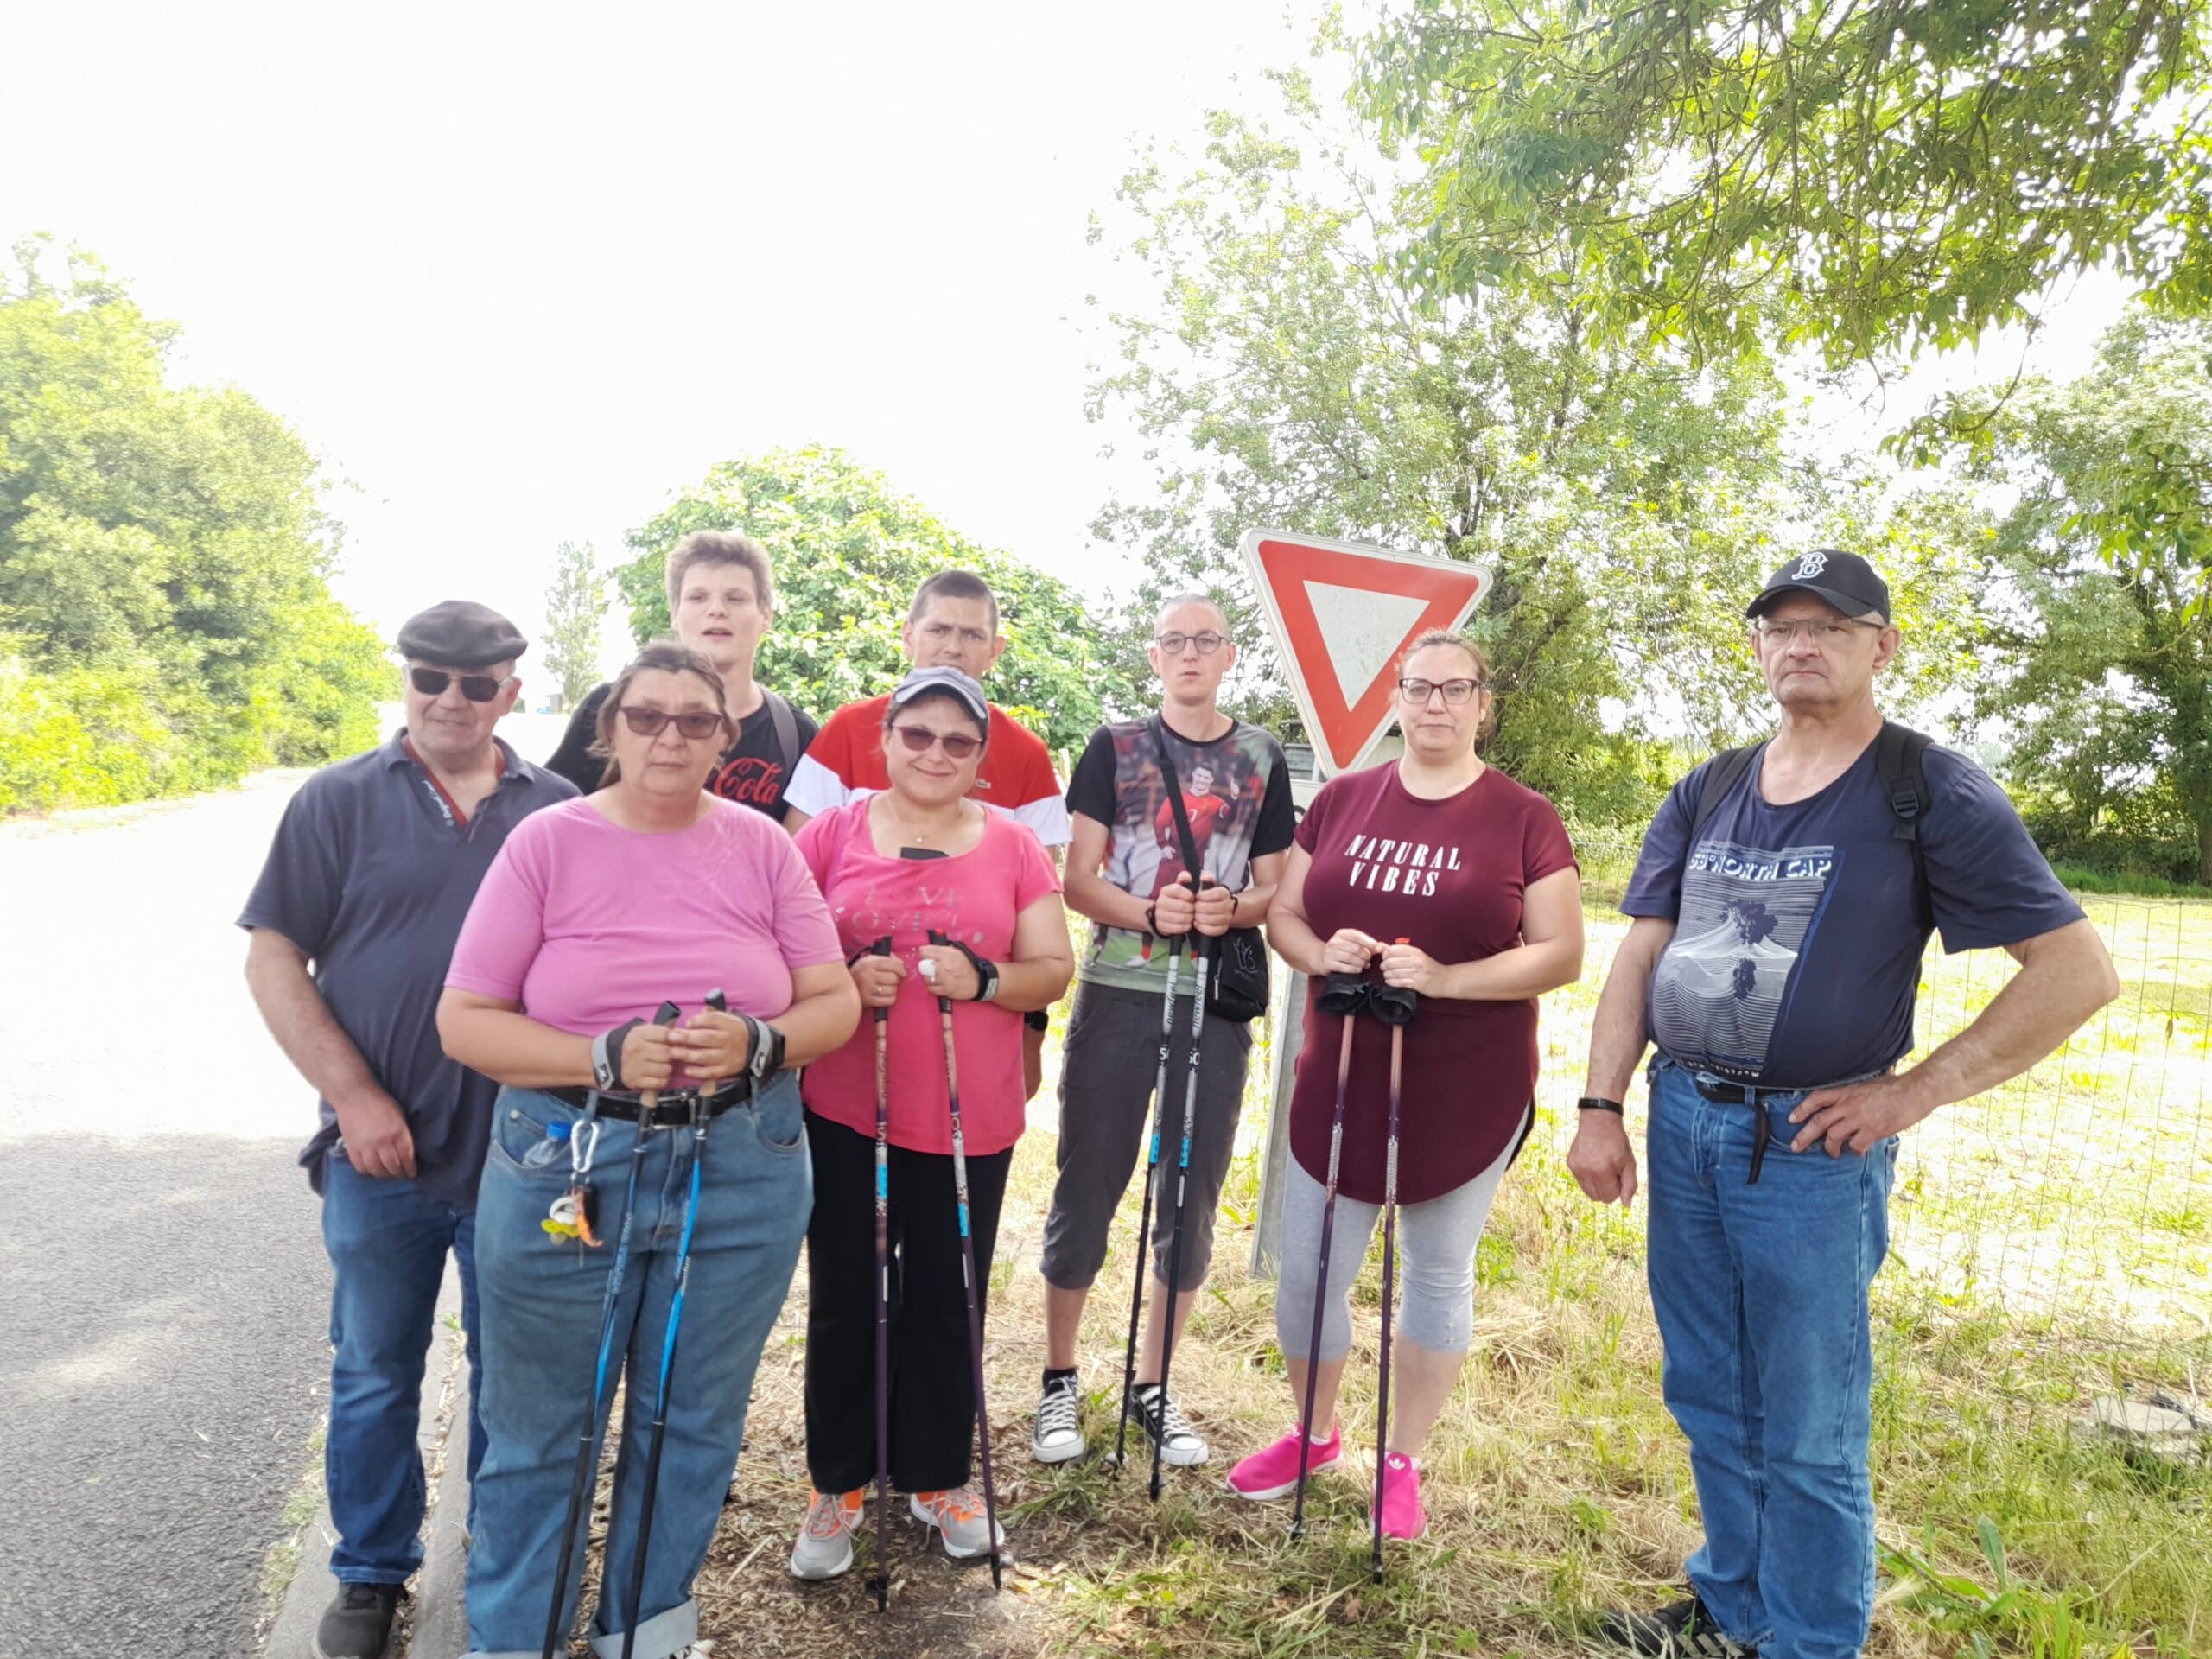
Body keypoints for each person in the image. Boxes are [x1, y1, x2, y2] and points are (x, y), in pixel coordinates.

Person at [1569, 550, 2120, 1659]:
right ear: (1759, 645)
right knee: (1709, 1389)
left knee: (1810, 1425)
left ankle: (1813, 1640)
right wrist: (1599, 1105)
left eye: (1830, 624)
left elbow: (2077, 972)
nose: (1801, 643)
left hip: (1811, 1155)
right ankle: (1732, 1607)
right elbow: (1640, 954)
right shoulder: (1711, 785)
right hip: (1683, 1126)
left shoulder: (1926, 789)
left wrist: (1910, 1094)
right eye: (1780, 625)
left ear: (1882, 645)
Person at [437, 639, 861, 1659]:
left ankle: (645, 1632)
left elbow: (834, 1000)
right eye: (647, 715)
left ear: (724, 737)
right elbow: (465, 1021)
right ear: (610, 728)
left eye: (696, 719)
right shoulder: (547, 842)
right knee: (541, 1435)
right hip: (568, 1160)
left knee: (692, 1423)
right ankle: (514, 1642)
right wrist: (598, 1054)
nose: (670, 734)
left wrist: (759, 1041)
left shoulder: (762, 846)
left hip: (742, 1165)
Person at [238, 601, 576, 1659]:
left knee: (513, 1374)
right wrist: (355, 1099)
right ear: (406, 681)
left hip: (522, 1156)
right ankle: (372, 1571)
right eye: (431, 677)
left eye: (478, 685)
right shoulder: (336, 800)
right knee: (375, 1367)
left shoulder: (561, 809)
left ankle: (497, 1560)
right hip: (378, 1155)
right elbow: (273, 960)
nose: (451, 700)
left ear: (512, 694)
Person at [1225, 628, 1584, 1537]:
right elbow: (1289, 919)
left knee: (1434, 1274)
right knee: (1308, 1273)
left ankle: (1402, 1459)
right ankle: (1312, 1434)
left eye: (1454, 690)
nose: (1435, 705)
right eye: (1419, 689)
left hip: (1466, 1079)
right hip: (1341, 1069)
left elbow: (1561, 954)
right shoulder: (1343, 797)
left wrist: (1447, 980)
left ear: (1480, 704)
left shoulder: (1525, 816)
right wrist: (1322, 950)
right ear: (1395, 698)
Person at [783, 665, 1073, 1577]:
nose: (935, 753)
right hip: (844, 1104)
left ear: (981, 757)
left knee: (948, 1301)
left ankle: (938, 1474)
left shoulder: (1016, 847)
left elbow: (1052, 967)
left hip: (963, 1118)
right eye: (918, 734)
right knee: (846, 1296)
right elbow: (774, 944)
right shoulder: (830, 830)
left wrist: (986, 980)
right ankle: (840, 1482)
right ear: (888, 741)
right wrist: (839, 973)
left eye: (957, 740)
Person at [1033, 594, 1295, 1468]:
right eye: (1173, 641)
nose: (1189, 654)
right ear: (1154, 658)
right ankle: (1059, 1378)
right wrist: (1151, 909)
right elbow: (1078, 880)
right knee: (1090, 1179)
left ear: (1228, 656)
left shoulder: (1260, 755)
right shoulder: (1113, 747)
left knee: (1191, 1193)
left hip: (1210, 1000)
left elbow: (1275, 890)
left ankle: (1153, 1384)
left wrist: (1229, 907)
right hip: (1119, 989)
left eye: (1205, 641)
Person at [783, 568, 1071, 1098]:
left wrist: (1017, 1018)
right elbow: (791, 887)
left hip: (975, 1051)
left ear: (995, 649)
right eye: (939, 630)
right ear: (908, 634)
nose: (953, 647)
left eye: (971, 635)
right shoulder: (847, 728)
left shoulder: (1027, 754)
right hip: (844, 1052)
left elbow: (1040, 920)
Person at [544, 530, 817, 824]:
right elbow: (555, 822)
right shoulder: (608, 708)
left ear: (766, 615)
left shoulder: (796, 735)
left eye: (735, 598)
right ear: (675, 613)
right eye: (698, 597)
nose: (716, 610)